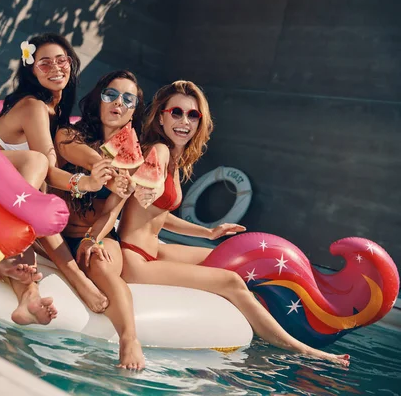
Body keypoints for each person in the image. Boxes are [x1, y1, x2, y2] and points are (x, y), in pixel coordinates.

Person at [117, 80, 351, 367]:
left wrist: (208, 232)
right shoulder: (159, 152)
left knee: (226, 259)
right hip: (135, 261)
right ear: (161, 116)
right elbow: (138, 196)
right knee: (230, 279)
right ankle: (301, 349)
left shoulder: (172, 158)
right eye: (176, 112)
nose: (184, 121)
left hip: (153, 250)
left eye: (193, 115)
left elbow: (158, 215)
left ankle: (266, 326)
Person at [0, 33, 113, 324]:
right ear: (31, 71)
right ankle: (71, 275)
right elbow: (46, 168)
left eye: (61, 61)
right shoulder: (33, 106)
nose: (55, 68)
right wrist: (84, 183)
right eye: (44, 63)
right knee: (37, 169)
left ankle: (29, 298)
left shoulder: (55, 116)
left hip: (6, 196)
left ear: (72, 65)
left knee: (40, 200)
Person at [54, 70, 146, 370]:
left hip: (99, 232)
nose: (118, 103)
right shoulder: (69, 135)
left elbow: (111, 213)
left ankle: (129, 340)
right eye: (111, 94)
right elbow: (77, 154)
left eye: (128, 99)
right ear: (98, 99)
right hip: (55, 232)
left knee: (103, 265)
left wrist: (93, 239)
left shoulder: (132, 157)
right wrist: (107, 174)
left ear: (132, 112)